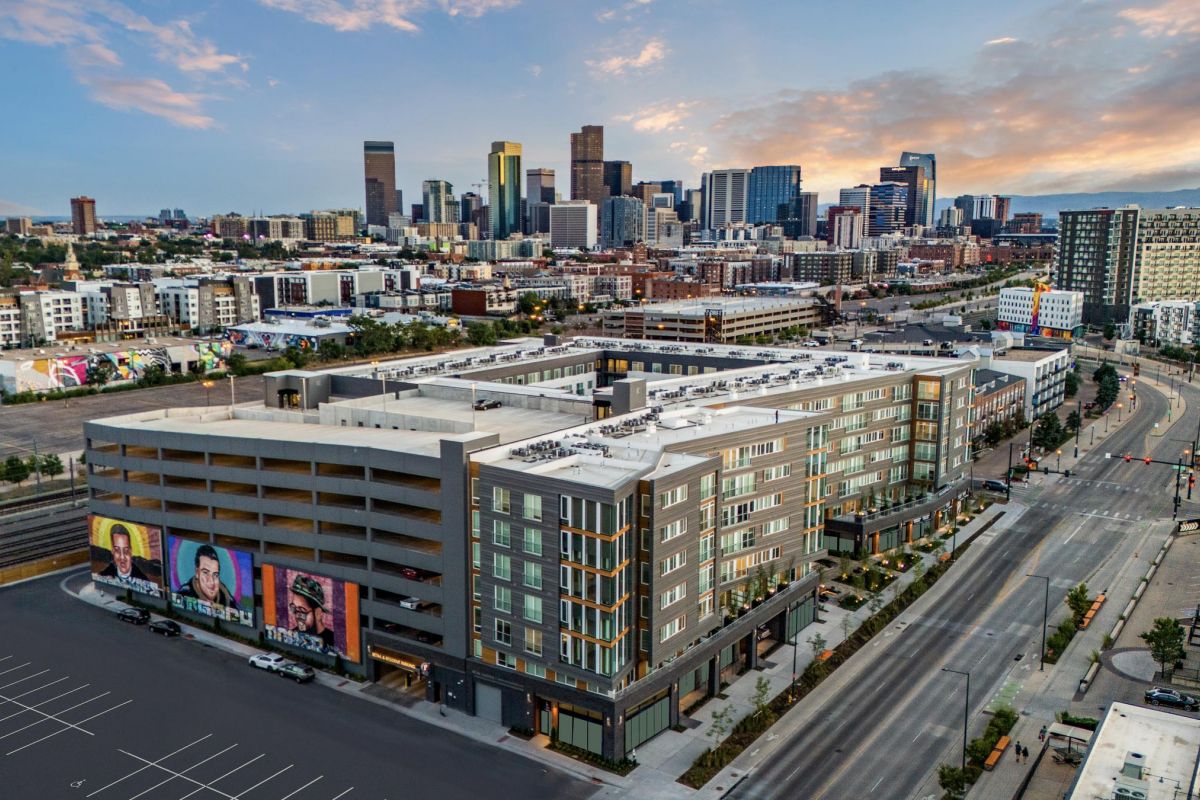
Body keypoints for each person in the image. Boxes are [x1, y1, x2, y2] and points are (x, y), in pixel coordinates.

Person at [176, 544, 239, 610]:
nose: (211, 582)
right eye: (205, 573)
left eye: (215, 575)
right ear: (197, 572)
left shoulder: (227, 598)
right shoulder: (184, 594)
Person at [288, 573, 336, 650]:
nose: (297, 616)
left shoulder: (333, 640)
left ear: (318, 613)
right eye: (294, 609)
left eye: (302, 611)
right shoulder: (292, 634)